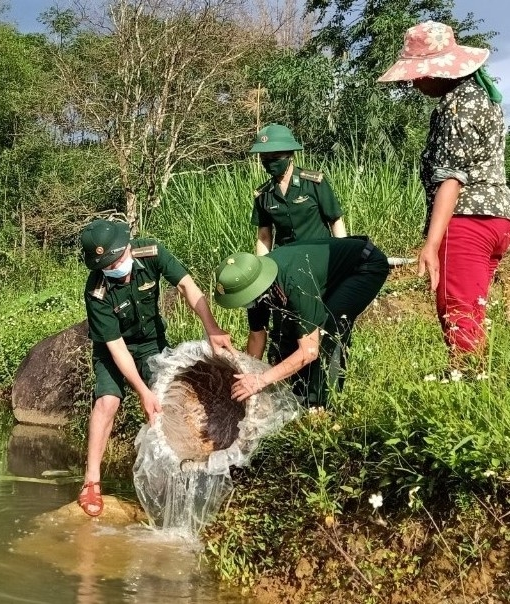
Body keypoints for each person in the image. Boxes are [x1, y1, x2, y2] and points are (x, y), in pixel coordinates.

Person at [77, 219, 234, 517]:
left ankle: (173, 480)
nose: (116, 267)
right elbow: (117, 349)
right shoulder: (96, 291)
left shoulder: (150, 252)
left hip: (151, 342)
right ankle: (91, 481)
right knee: (107, 401)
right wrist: (141, 391)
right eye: (108, 265)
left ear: (126, 246)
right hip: (114, 349)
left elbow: (188, 285)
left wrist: (211, 327)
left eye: (119, 258)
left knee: (167, 404)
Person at [378, 21, 510, 365]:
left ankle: (468, 391)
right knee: (472, 314)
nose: (415, 81)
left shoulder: (457, 106)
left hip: (466, 222)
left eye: (419, 74)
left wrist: (432, 244)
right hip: (495, 220)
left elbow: (452, 178)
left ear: (437, 71)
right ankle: (477, 387)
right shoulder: (479, 98)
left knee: (459, 318)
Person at [212, 238, 388, 405]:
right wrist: (245, 376)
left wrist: (261, 380)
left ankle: (323, 402)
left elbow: (309, 351)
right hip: (325, 273)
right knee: (295, 329)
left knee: (329, 327)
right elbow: (257, 337)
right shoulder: (254, 286)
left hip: (364, 266)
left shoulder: (293, 282)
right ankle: (300, 389)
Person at [249, 123, 346, 256]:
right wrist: (262, 268)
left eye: (275, 157)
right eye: (265, 158)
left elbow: (335, 221)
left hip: (320, 255)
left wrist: (342, 254)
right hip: (287, 260)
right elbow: (264, 237)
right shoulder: (263, 195)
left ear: (290, 155)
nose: (270, 162)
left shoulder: (313, 183)